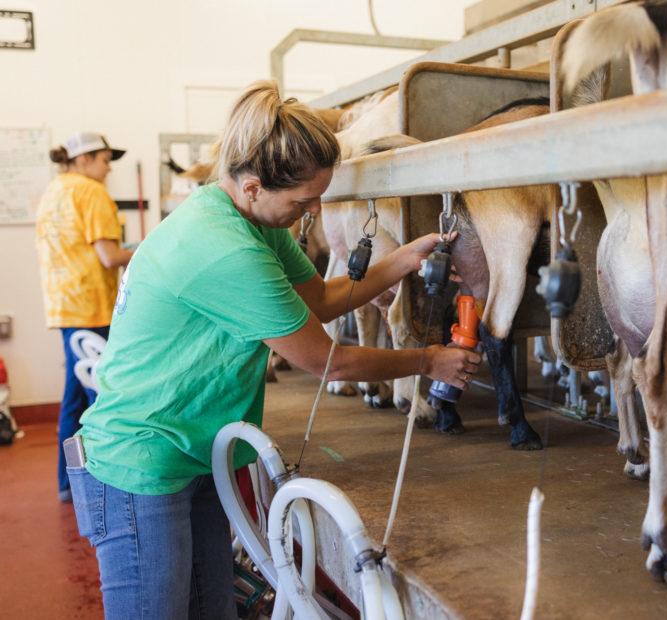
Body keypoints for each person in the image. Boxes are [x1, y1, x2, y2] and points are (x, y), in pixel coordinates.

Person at [66, 80, 481, 619]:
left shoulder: (255, 222)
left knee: (212, 611)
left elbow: (318, 299)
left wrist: (402, 258)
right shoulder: (225, 248)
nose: (309, 214)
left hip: (192, 453)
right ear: (255, 186)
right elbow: (329, 362)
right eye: (303, 202)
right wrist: (429, 360)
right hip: (140, 466)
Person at [35, 131, 134, 503]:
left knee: (77, 393)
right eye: (105, 161)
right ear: (83, 160)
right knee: (101, 397)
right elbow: (109, 256)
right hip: (92, 304)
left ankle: (69, 482)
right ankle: (100, 483)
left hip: (65, 304)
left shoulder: (53, 192)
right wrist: (146, 251)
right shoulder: (91, 192)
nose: (108, 170)